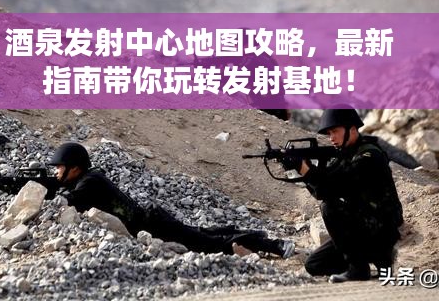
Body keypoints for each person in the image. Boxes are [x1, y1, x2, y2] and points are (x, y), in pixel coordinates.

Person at [48, 142, 295, 258]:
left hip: (153, 225)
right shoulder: (89, 177)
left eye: (59, 168)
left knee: (210, 244)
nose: (57, 173)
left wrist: (42, 191)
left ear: (74, 168)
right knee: (201, 234)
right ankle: (253, 235)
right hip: (151, 221)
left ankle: (275, 246)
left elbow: (67, 201)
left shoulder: (90, 182)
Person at [291, 106, 403, 283]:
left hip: (381, 229)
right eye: (329, 133)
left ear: (352, 129)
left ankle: (360, 268)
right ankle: (374, 259)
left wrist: (307, 171)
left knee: (330, 208)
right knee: (314, 265)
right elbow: (320, 190)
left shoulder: (369, 156)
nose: (331, 138)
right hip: (362, 227)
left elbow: (330, 189)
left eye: (335, 131)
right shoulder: (344, 156)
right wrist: (304, 172)